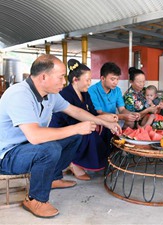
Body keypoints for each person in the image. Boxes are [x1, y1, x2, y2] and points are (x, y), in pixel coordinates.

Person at [0, 55, 121, 218]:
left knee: (74, 138)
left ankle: (52, 178)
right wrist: (76, 128)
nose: (64, 81)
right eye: (61, 76)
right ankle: (35, 199)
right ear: (44, 77)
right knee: (50, 148)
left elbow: (76, 111)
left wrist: (105, 124)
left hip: (28, 147)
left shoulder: (50, 94)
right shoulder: (20, 94)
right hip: (7, 154)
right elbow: (35, 136)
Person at [49, 59, 118, 181]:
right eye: (87, 80)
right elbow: (73, 119)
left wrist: (105, 119)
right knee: (89, 133)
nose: (90, 83)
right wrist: (102, 120)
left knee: (107, 130)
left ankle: (103, 162)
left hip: (80, 124)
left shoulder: (85, 94)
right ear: (75, 80)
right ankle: (74, 162)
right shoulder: (65, 94)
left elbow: (89, 113)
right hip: (64, 130)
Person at [88, 62, 139, 127]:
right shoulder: (92, 90)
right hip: (98, 122)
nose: (116, 82)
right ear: (102, 78)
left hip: (114, 120)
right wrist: (122, 117)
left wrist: (131, 115)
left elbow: (122, 109)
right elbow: (99, 112)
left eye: (117, 79)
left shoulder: (117, 90)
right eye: (112, 79)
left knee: (130, 122)